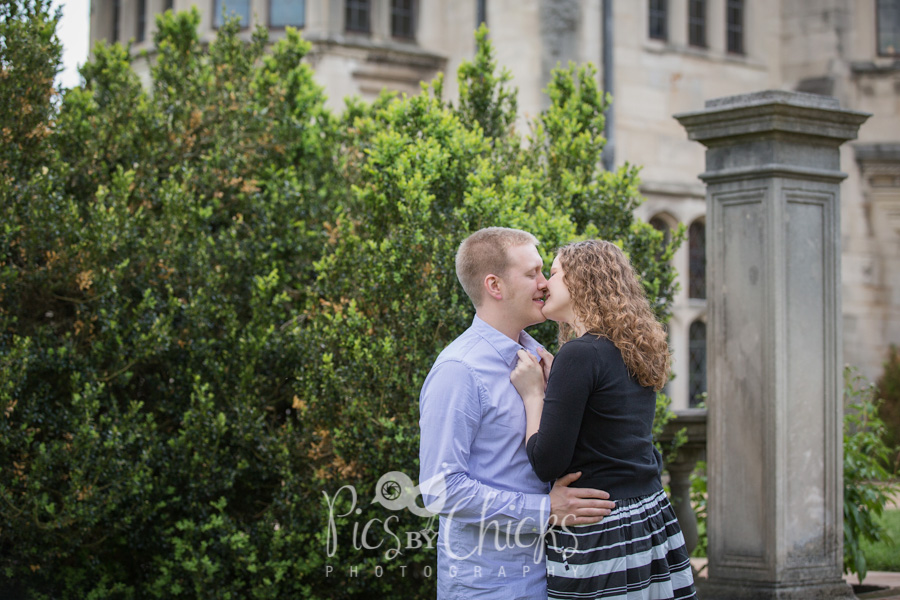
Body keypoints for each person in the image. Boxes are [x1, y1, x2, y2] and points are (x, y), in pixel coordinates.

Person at [419, 227, 616, 600]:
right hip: (491, 583)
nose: (545, 284)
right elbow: (440, 489)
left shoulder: (543, 358)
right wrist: (545, 509)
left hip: (559, 573)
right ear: (495, 286)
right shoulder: (459, 370)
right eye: (533, 274)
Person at [510, 239, 697, 600]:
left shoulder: (579, 354)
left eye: (553, 273)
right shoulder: (626, 347)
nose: (545, 284)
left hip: (602, 528)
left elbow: (547, 462)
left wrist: (535, 395)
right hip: (651, 516)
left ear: (581, 281)